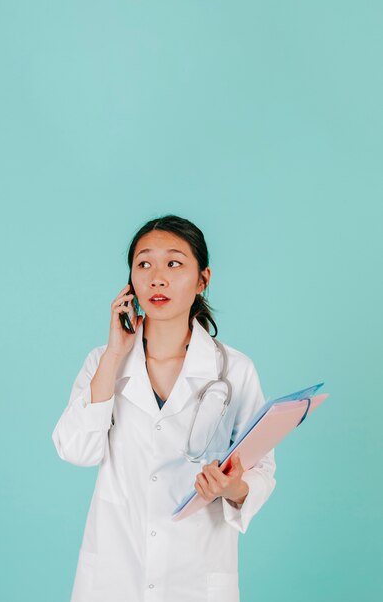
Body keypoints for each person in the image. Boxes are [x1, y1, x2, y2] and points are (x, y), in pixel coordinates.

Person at [52, 214, 277, 602]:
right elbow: (76, 450)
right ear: (131, 281)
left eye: (174, 263)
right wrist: (114, 354)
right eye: (144, 264)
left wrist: (233, 487)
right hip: (114, 575)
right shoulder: (102, 363)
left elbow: (261, 471)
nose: (157, 277)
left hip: (196, 574)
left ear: (203, 279)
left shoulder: (234, 371)